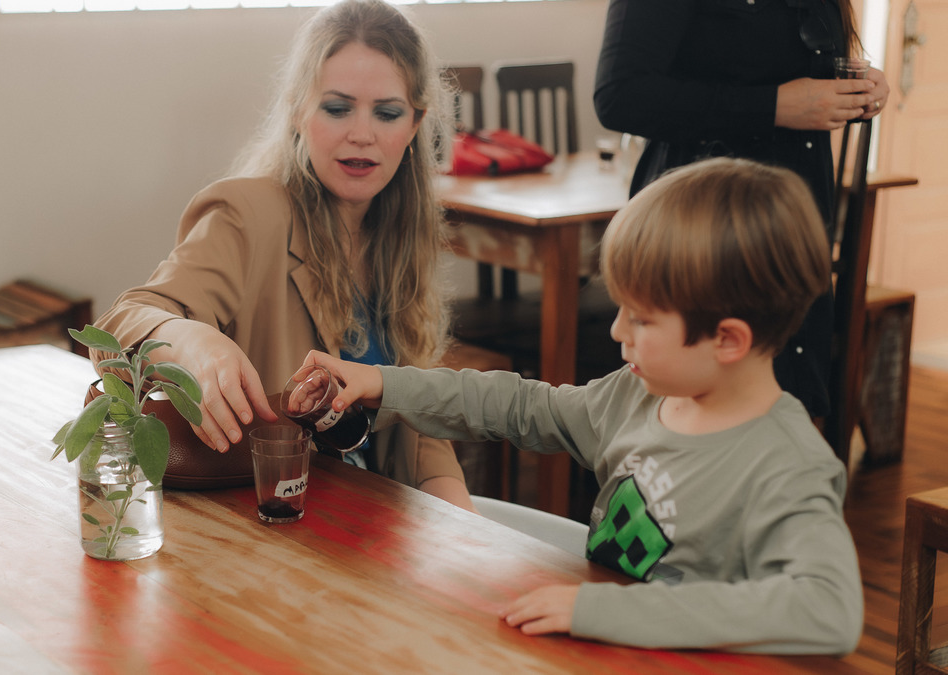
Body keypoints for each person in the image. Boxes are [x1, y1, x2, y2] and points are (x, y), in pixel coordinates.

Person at [298, 158, 863, 654]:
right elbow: (520, 405)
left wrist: (605, 612)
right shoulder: (636, 395)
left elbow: (827, 609)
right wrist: (384, 383)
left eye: (641, 319)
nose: (617, 331)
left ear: (728, 339)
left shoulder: (787, 465)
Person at [88, 0, 474, 511]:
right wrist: (192, 342)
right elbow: (121, 324)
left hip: (376, 517)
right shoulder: (246, 215)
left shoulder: (401, 232)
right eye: (337, 108)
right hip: (277, 521)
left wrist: (465, 524)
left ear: (415, 124)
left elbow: (417, 424)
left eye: (387, 113)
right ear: (297, 110)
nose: (363, 134)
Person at [592, 0, 891, 419]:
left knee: (786, 401)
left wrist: (857, 92)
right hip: (703, 228)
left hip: (794, 219)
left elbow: (795, 75)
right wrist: (773, 106)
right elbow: (619, 97)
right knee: (694, 412)